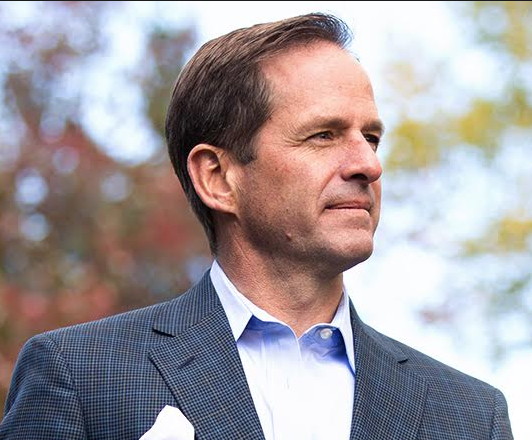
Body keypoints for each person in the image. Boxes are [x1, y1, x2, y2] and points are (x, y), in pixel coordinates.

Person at [0, 13, 513, 440]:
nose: (368, 165)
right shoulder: (82, 378)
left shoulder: (471, 416)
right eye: (323, 135)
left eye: (372, 138)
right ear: (217, 177)